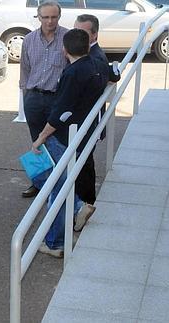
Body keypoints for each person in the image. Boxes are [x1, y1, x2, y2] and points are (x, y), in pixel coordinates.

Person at [31, 29, 109, 257]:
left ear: (65, 50)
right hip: (85, 133)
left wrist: (41, 138)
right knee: (60, 183)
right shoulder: (97, 64)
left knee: (55, 185)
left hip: (66, 137)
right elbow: (114, 74)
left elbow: (61, 113)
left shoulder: (73, 73)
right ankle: (77, 207)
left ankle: (55, 242)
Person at [19, 1, 68, 198]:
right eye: (45, 17)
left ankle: (61, 186)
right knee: (36, 143)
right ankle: (39, 184)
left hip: (57, 99)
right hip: (34, 98)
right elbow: (24, 71)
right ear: (38, 17)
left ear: (59, 17)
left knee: (58, 142)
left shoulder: (67, 38)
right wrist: (26, 99)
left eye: (53, 17)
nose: (50, 21)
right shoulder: (29, 40)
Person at [73, 14, 121, 205]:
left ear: (94, 35)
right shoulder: (88, 53)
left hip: (86, 121)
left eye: (82, 32)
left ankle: (86, 203)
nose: (77, 35)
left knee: (84, 163)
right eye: (75, 30)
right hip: (84, 120)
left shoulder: (95, 57)